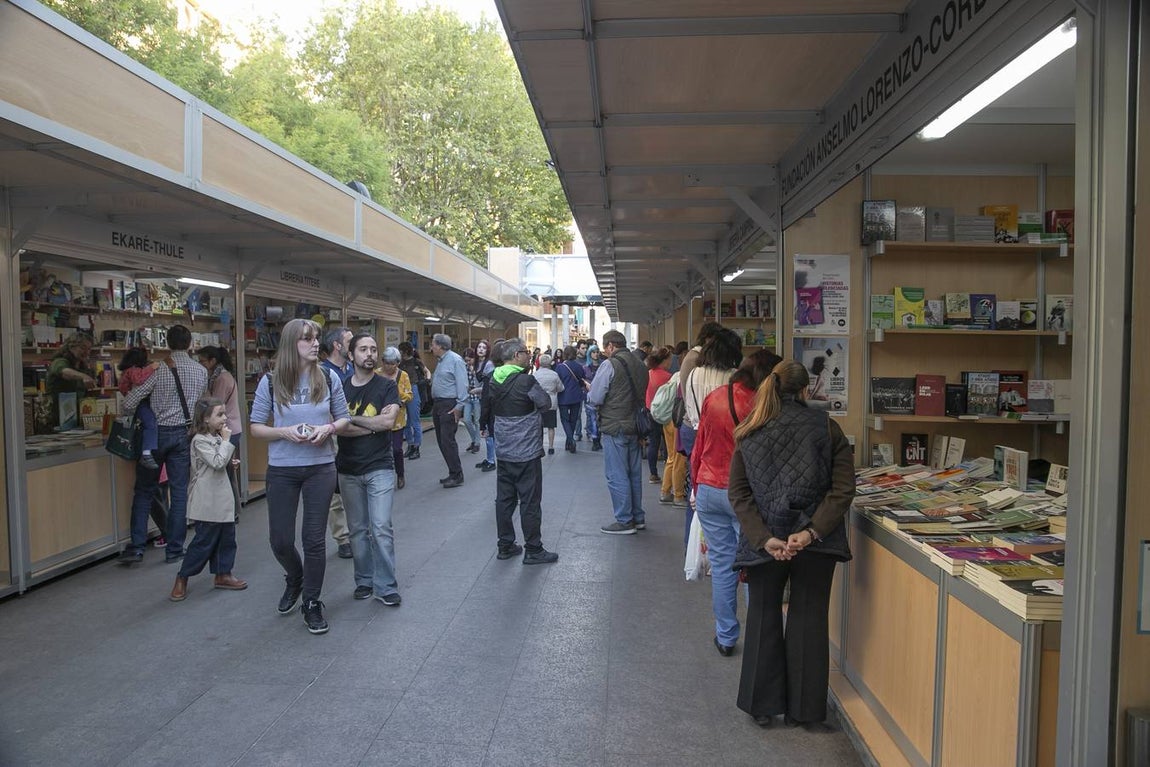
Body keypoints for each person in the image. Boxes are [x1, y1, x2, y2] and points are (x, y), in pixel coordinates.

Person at [729, 360, 854, 728]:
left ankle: (761, 704)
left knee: (763, 613)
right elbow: (843, 488)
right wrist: (812, 532)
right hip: (815, 542)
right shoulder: (827, 428)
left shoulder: (750, 430)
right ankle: (806, 710)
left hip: (765, 539)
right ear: (805, 390)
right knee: (809, 616)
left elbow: (739, 492)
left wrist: (764, 538)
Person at [249, 318, 350, 635]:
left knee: (314, 538)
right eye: (307, 338)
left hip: (320, 467)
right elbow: (255, 427)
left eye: (317, 338)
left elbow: (344, 419)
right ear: (292, 343)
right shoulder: (271, 381)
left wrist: (328, 428)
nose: (315, 343)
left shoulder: (329, 377)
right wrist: (284, 432)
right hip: (282, 468)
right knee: (280, 540)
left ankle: (311, 602)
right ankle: (295, 576)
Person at [690, 349, 780, 656]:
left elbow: (699, 446)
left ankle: (726, 636)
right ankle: (757, 638)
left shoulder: (715, 397)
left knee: (723, 564)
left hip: (710, 488)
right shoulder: (762, 405)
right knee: (752, 566)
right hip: (745, 496)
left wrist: (696, 485)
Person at [118, 325, 208, 565]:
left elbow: (130, 402)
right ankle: (175, 549)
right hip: (183, 435)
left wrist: (144, 410)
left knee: (144, 491)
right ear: (190, 344)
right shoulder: (201, 371)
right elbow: (201, 405)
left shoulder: (160, 369)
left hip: (155, 435)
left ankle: (137, 547)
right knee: (179, 493)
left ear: (167, 342)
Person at [336, 333, 402, 606]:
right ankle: (363, 580)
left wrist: (350, 420)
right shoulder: (339, 387)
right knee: (357, 529)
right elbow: (337, 426)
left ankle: (385, 585)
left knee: (381, 527)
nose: (370, 354)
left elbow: (387, 423)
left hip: (380, 467)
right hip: (348, 468)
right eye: (363, 349)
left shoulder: (387, 386)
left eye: (373, 349)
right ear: (351, 355)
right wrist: (369, 423)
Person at [480, 339, 559, 564]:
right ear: (516, 356)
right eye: (525, 352)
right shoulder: (526, 380)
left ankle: (505, 545)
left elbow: (485, 409)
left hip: (504, 450)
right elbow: (545, 403)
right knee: (529, 500)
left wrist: (485, 427)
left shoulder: (491, 378)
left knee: (504, 499)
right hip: (526, 450)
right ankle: (533, 549)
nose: (528, 356)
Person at [169, 397, 247, 601]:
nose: (224, 418)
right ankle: (183, 576)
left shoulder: (218, 437)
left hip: (222, 498)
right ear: (205, 419)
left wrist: (232, 460)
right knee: (203, 542)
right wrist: (228, 443)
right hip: (208, 499)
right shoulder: (200, 440)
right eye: (219, 414)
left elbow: (222, 462)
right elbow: (217, 462)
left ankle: (223, 573)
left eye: (224, 413)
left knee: (226, 539)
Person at [681, 329, 743, 545]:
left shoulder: (693, 373)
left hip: (693, 431)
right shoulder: (734, 376)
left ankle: (694, 542)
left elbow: (688, 403)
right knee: (727, 481)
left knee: (696, 487)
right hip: (723, 435)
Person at [589, 329, 649, 535]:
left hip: (615, 425)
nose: (605, 353)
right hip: (636, 425)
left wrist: (590, 391)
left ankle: (624, 520)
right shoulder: (641, 364)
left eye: (605, 349)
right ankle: (638, 517)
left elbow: (596, 397)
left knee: (617, 474)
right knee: (634, 473)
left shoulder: (609, 364)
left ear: (610, 346)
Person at [321, 327, 355, 559]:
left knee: (354, 484)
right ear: (337, 345)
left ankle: (359, 531)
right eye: (350, 342)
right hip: (333, 435)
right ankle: (343, 537)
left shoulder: (353, 369)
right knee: (335, 491)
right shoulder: (322, 373)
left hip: (356, 433)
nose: (353, 346)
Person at [198, 346, 242, 519]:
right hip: (229, 427)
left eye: (202, 361)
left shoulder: (222, 378)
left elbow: (216, 405)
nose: (200, 365)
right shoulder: (220, 376)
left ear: (212, 361)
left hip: (226, 429)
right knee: (227, 469)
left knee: (226, 471)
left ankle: (230, 510)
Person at [429, 333, 469, 488]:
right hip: (438, 404)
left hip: (449, 404)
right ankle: (453, 472)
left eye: (433, 344)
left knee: (448, 441)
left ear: (440, 346)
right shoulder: (441, 360)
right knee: (441, 441)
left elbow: (462, 384)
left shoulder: (455, 360)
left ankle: (457, 474)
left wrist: (459, 407)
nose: (431, 347)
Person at [117, 348, 161, 470]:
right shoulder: (133, 370)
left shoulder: (126, 371)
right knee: (151, 423)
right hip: (138, 402)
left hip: (132, 403)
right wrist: (152, 367)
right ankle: (146, 453)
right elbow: (139, 379)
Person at [377, 346, 412, 490]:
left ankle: (400, 474)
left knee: (397, 449)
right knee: (381, 450)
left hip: (397, 419)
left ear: (397, 363)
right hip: (379, 418)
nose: (388, 366)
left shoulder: (403, 376)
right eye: (386, 362)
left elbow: (409, 395)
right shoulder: (376, 374)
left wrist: (399, 398)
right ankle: (383, 476)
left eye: (392, 363)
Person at [47, 332, 97, 426]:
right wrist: (84, 377)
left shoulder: (82, 366)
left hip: (77, 418)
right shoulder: (59, 361)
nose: (86, 352)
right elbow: (64, 371)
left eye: (89, 349)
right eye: (82, 348)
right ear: (71, 347)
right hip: (58, 417)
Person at [644, 346, 673, 484]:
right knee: (668, 445)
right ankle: (670, 474)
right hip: (666, 415)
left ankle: (653, 473)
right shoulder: (668, 377)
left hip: (650, 412)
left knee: (653, 443)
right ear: (665, 361)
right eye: (670, 360)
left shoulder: (648, 373)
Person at [398, 342, 429, 458]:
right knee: (406, 422)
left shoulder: (416, 362)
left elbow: (426, 371)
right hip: (402, 390)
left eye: (400, 350)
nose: (399, 353)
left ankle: (416, 447)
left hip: (414, 389)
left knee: (415, 421)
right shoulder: (399, 363)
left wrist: (427, 380)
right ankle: (410, 445)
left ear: (405, 351)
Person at [555, 345, 587, 453]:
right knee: (573, 419)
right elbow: (582, 377)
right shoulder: (578, 366)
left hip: (563, 396)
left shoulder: (560, 367)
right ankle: (570, 440)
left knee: (565, 419)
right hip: (576, 395)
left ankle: (570, 440)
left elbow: (557, 380)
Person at [532, 353, 563, 455]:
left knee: (538, 426)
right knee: (551, 426)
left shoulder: (535, 375)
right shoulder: (554, 374)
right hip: (551, 402)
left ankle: (539, 445)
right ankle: (551, 447)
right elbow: (561, 388)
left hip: (538, 403)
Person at [460, 347, 483, 453]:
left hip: (477, 397)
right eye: (466, 360)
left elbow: (481, 382)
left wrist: (474, 372)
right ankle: (474, 440)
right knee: (467, 420)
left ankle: (477, 443)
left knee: (477, 421)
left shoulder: (479, 367)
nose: (468, 362)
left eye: (470, 360)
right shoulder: (463, 367)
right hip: (468, 397)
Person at [583, 345, 602, 450]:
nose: (596, 354)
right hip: (590, 396)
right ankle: (595, 440)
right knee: (593, 419)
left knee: (599, 419)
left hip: (601, 395)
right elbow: (581, 379)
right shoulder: (585, 367)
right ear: (590, 354)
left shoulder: (603, 365)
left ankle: (596, 438)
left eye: (597, 351)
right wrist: (586, 383)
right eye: (593, 352)